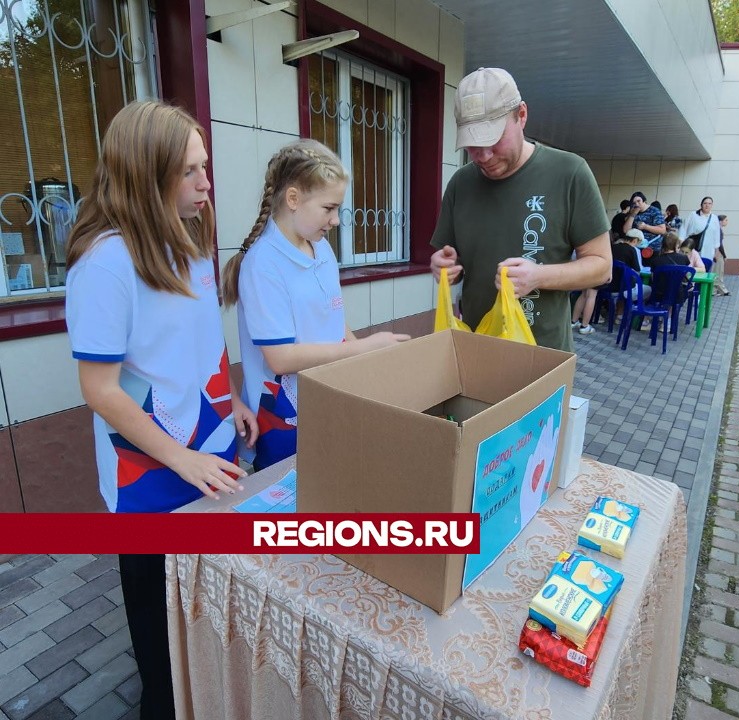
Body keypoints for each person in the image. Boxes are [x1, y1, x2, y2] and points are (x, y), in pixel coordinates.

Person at [65, 100, 258, 720]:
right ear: (145, 176)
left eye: (206, 166)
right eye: (190, 171)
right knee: (161, 648)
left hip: (212, 450)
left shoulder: (191, 237)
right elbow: (100, 389)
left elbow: (203, 340)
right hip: (151, 480)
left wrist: (236, 401)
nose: (207, 183)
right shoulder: (104, 265)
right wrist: (183, 459)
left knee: (208, 616)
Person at [221, 139, 409, 470]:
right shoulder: (263, 263)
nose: (336, 220)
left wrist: (367, 366)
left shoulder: (321, 249)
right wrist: (362, 349)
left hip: (327, 397)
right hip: (284, 418)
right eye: (328, 208)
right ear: (293, 198)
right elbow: (280, 359)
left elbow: (335, 321)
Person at [430, 67, 611, 352]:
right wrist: (443, 265)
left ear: (522, 115)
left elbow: (602, 267)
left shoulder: (569, 172)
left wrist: (538, 276)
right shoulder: (460, 184)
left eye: (493, 139)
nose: (484, 156)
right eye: (473, 145)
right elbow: (453, 260)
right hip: (477, 348)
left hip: (544, 353)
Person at [682, 196, 721, 264]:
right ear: (701, 204)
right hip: (693, 246)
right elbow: (683, 228)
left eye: (709, 203)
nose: (707, 205)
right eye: (705, 203)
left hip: (708, 250)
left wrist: (717, 251)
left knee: (705, 268)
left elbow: (717, 235)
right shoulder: (693, 215)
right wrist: (681, 241)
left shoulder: (714, 218)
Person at [713, 214, 730, 296]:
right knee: (719, 271)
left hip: (715, 252)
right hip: (718, 253)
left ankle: (715, 290)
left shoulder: (717, 229)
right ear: (720, 221)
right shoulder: (718, 230)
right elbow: (720, 244)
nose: (727, 222)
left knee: (716, 271)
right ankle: (720, 290)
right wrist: (724, 255)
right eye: (726, 220)